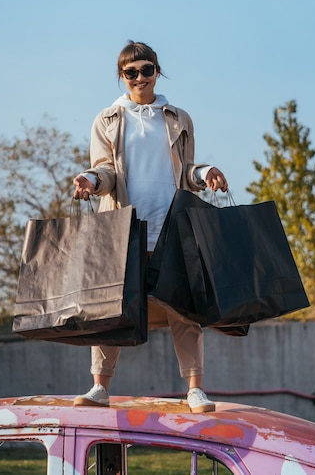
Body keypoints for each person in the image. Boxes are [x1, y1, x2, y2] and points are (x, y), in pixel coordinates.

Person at [72, 40, 228, 413]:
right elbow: (105, 169)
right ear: (121, 76)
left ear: (157, 71)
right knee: (110, 306)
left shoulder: (177, 117)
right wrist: (91, 181)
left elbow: (186, 171)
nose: (139, 78)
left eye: (146, 70)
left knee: (184, 309)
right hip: (123, 228)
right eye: (131, 72)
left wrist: (206, 172)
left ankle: (194, 390)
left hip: (172, 225)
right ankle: (99, 387)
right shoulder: (107, 119)